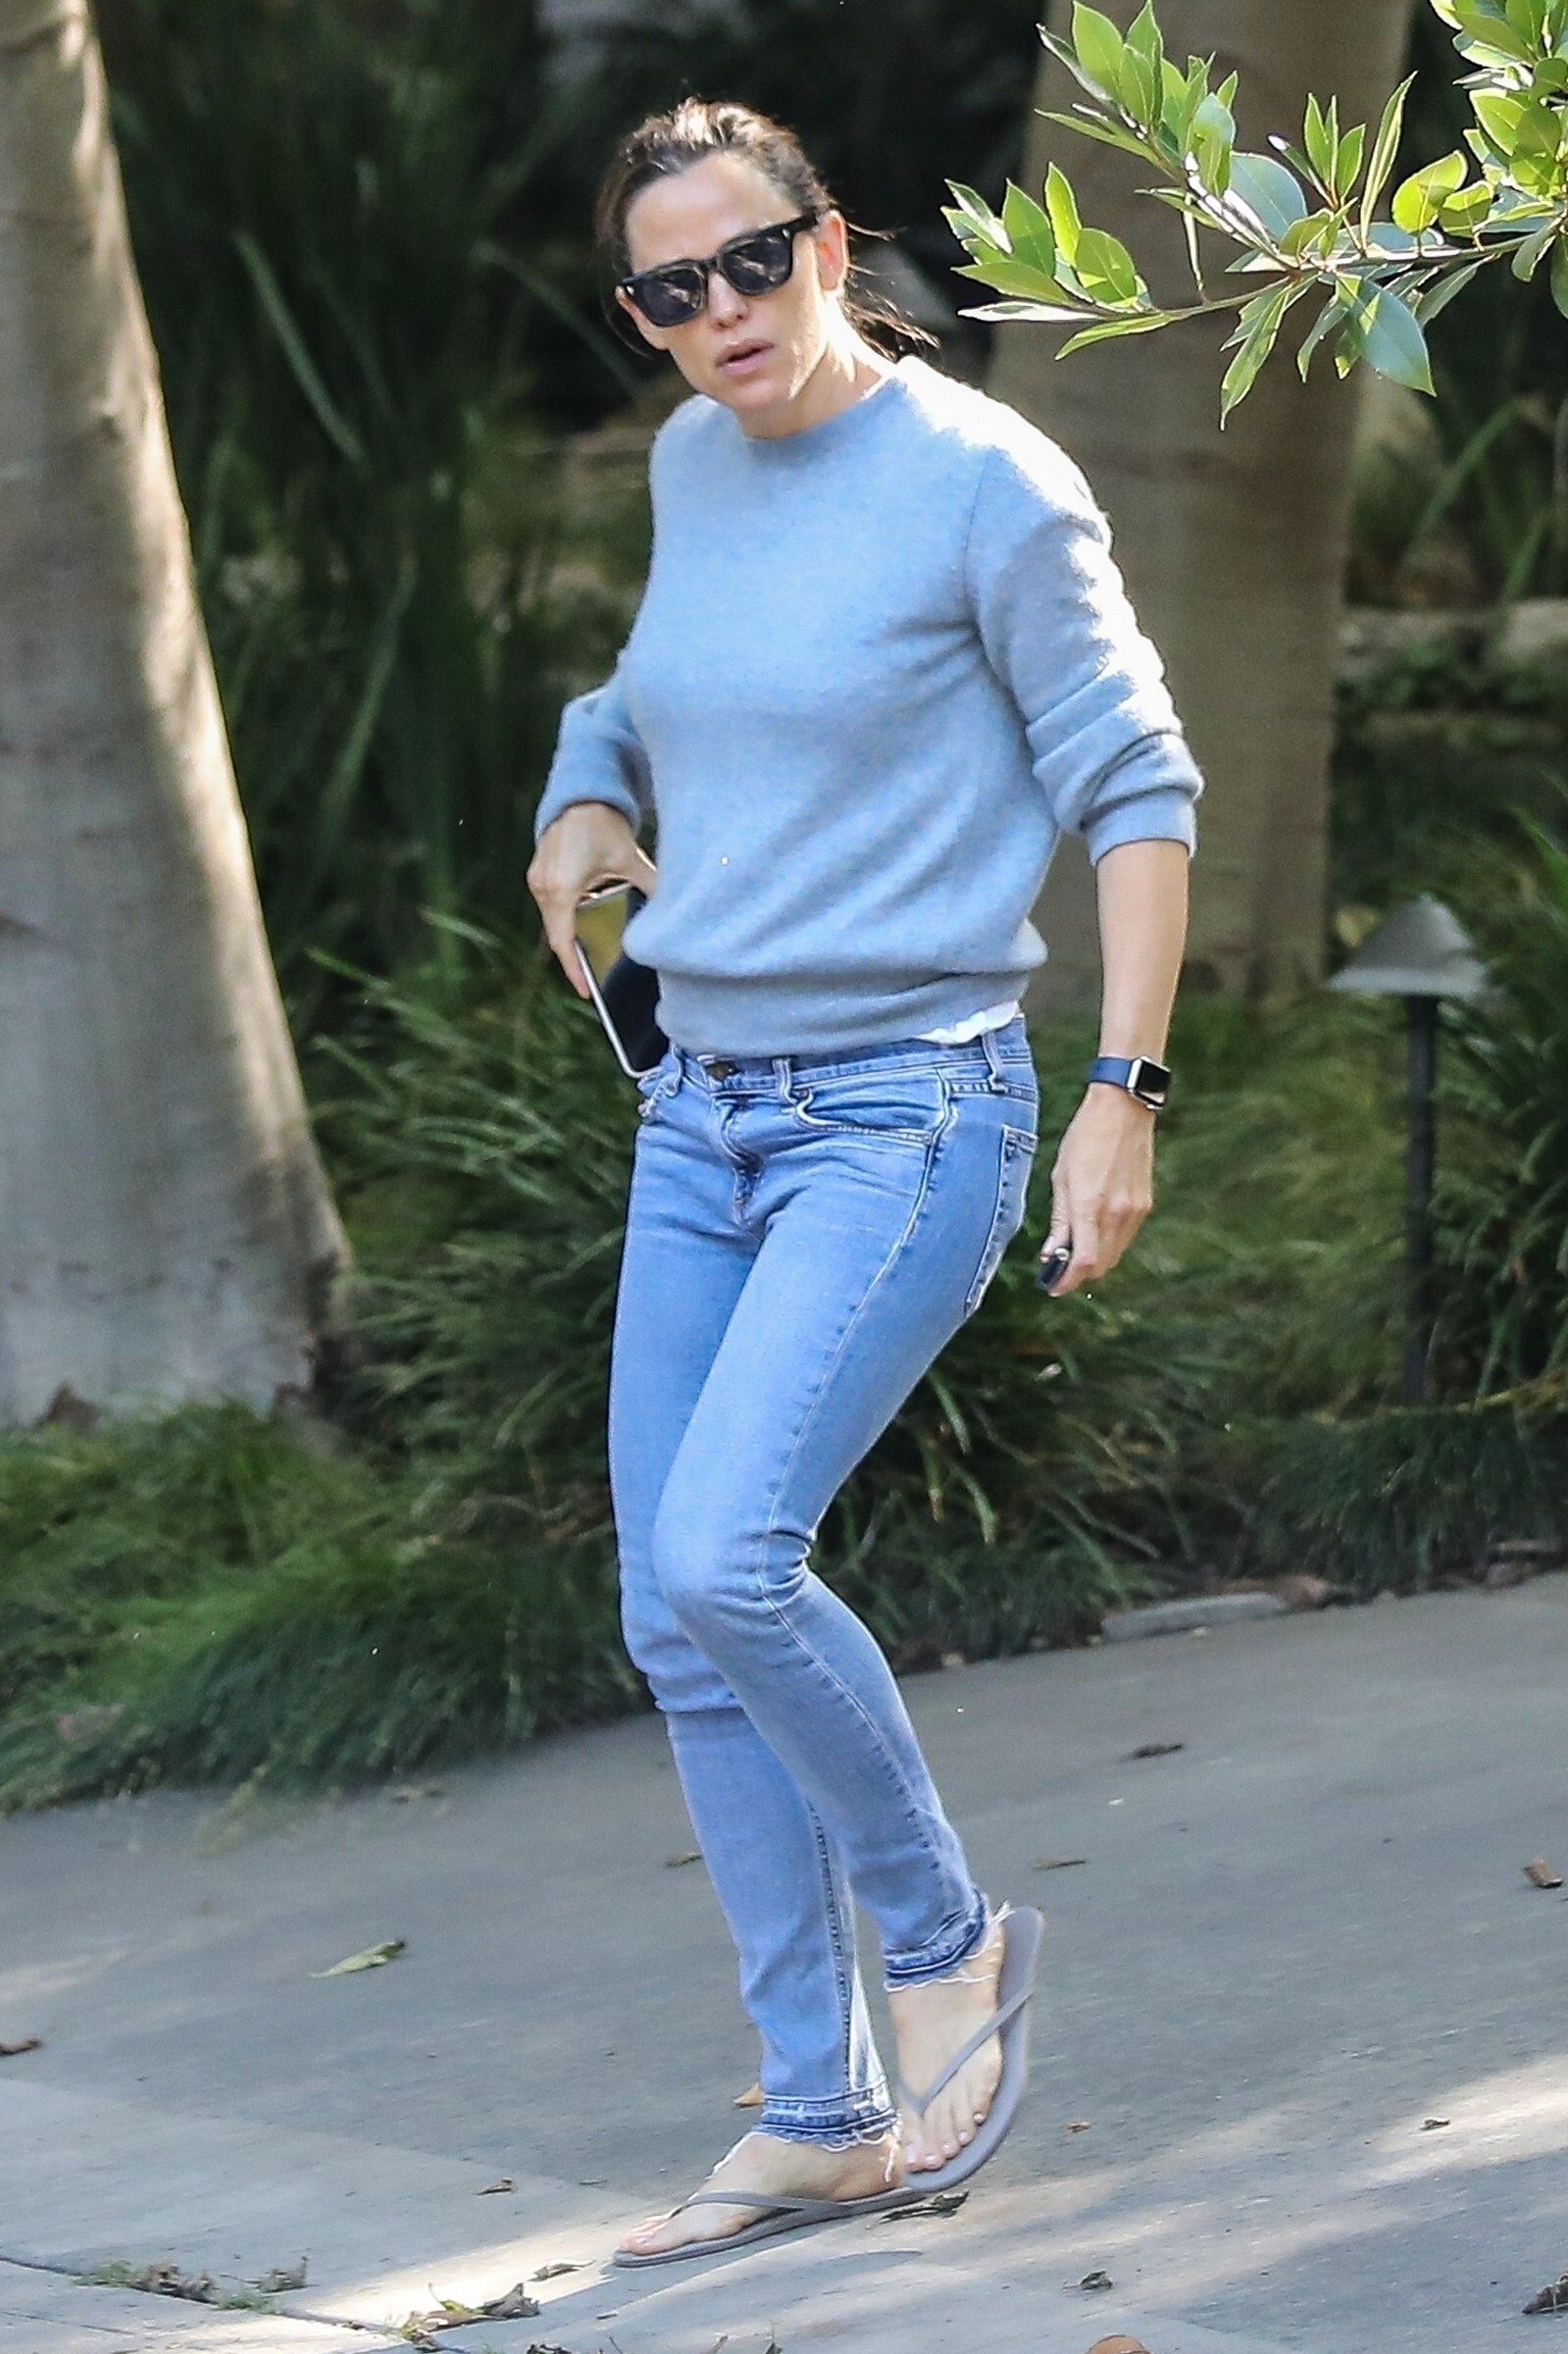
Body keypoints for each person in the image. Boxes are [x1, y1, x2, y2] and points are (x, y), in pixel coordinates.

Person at [527, 98, 1200, 2267]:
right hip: (701, 1111)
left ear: (831, 243)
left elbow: (1137, 783)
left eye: (753, 259)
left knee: (726, 1556)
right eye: (671, 289)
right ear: (641, 317)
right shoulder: (691, 463)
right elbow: (650, 688)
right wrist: (580, 792)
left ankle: (944, 1941)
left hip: (904, 1109)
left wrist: (1121, 1088)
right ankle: (815, 2111)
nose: (720, 311)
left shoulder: (986, 482)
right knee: (673, 1616)